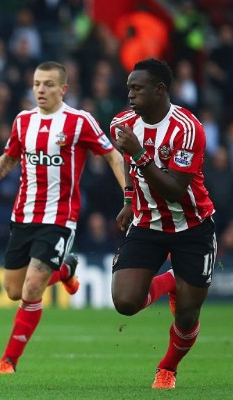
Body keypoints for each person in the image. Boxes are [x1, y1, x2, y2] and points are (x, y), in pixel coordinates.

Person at [0, 61, 125, 374]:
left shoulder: (79, 121)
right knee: (13, 290)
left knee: (33, 287)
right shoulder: (23, 121)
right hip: (23, 215)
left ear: (63, 89)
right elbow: (9, 159)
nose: (41, 90)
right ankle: (66, 270)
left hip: (60, 217)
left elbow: (113, 155)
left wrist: (129, 196)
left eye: (48, 84)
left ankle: (8, 361)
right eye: (36, 84)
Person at [110, 58, 215, 390]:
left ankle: (167, 368)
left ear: (160, 90)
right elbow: (129, 164)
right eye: (128, 87)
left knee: (186, 315)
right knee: (125, 303)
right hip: (147, 224)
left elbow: (174, 190)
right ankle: (169, 281)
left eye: (137, 88)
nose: (129, 95)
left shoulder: (187, 128)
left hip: (192, 226)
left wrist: (141, 154)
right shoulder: (122, 123)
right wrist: (129, 199)